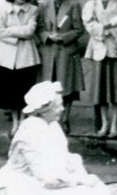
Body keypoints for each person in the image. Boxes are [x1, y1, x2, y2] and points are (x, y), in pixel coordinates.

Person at [81, 0, 117, 138]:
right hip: (99, 48)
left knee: (115, 90)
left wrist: (111, 30)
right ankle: (104, 124)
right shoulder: (92, 3)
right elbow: (88, 24)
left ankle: (114, 125)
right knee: (101, 91)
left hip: (116, 49)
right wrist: (105, 28)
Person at [35, 0, 84, 132]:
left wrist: (63, 37)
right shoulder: (43, 6)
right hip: (48, 53)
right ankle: (48, 120)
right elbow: (39, 28)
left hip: (65, 52)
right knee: (47, 88)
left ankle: (65, 119)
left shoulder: (73, 5)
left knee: (66, 88)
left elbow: (79, 29)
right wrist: (47, 36)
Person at [0, 0, 40, 136]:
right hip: (7, 57)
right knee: (10, 93)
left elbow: (30, 31)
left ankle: (23, 121)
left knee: (25, 91)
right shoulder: (1, 8)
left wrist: (9, 30)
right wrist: (18, 34)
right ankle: (15, 122)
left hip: (27, 56)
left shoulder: (33, 9)